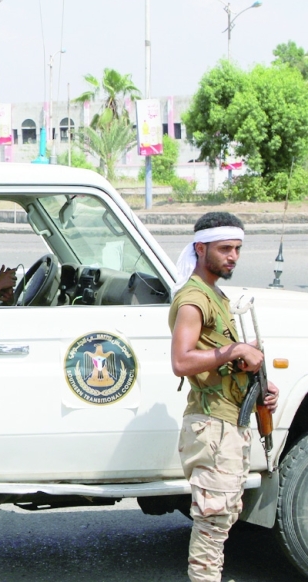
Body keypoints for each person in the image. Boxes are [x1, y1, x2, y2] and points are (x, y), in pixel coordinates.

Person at [169, 212, 279, 582]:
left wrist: (259, 387)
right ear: (201, 248)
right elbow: (182, 360)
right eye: (225, 248)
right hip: (212, 424)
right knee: (213, 521)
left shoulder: (217, 295)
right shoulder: (194, 299)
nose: (233, 256)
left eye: (237, 249)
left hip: (229, 420)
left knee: (224, 514)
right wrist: (235, 351)